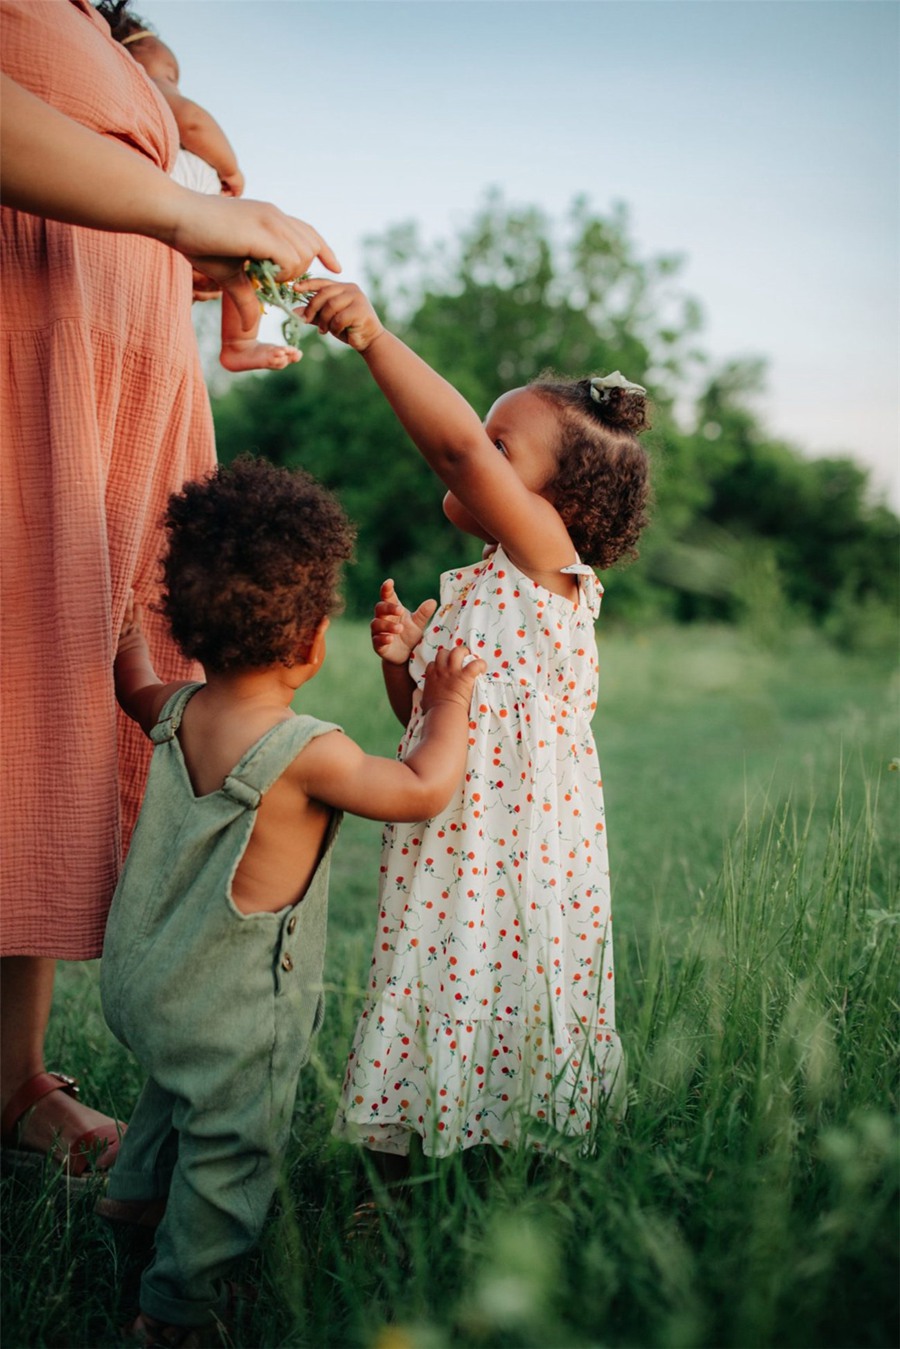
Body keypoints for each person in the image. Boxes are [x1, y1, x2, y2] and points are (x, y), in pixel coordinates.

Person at [0, 0, 338, 1184]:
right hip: (22, 368)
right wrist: (202, 205)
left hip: (111, 388)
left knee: (40, 721)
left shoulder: (100, 24)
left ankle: (11, 1080)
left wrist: (188, 249)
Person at [99, 456, 484, 1343]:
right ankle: (181, 1305)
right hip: (237, 1012)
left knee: (171, 1087)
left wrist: (124, 621)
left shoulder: (180, 706)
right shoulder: (310, 749)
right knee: (229, 1141)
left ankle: (132, 1204)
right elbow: (425, 789)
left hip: (144, 984)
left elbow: (130, 682)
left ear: (188, 627)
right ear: (312, 641)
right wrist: (451, 696)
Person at [300, 278, 651, 1161]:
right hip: (454, 836)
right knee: (436, 971)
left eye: (505, 448)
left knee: (508, 978)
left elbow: (456, 451)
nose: (478, 458)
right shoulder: (475, 593)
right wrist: (403, 662)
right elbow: (424, 725)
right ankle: (417, 1146)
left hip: (519, 844)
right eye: (489, 441)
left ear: (558, 503)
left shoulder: (548, 563)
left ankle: (515, 1155)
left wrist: (376, 337)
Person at [100, 2, 301, 374]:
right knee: (249, 251)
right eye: (171, 76)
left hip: (155, 239)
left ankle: (236, 343)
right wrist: (231, 171)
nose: (172, 87)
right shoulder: (146, 88)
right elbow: (194, 124)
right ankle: (239, 343)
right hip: (180, 218)